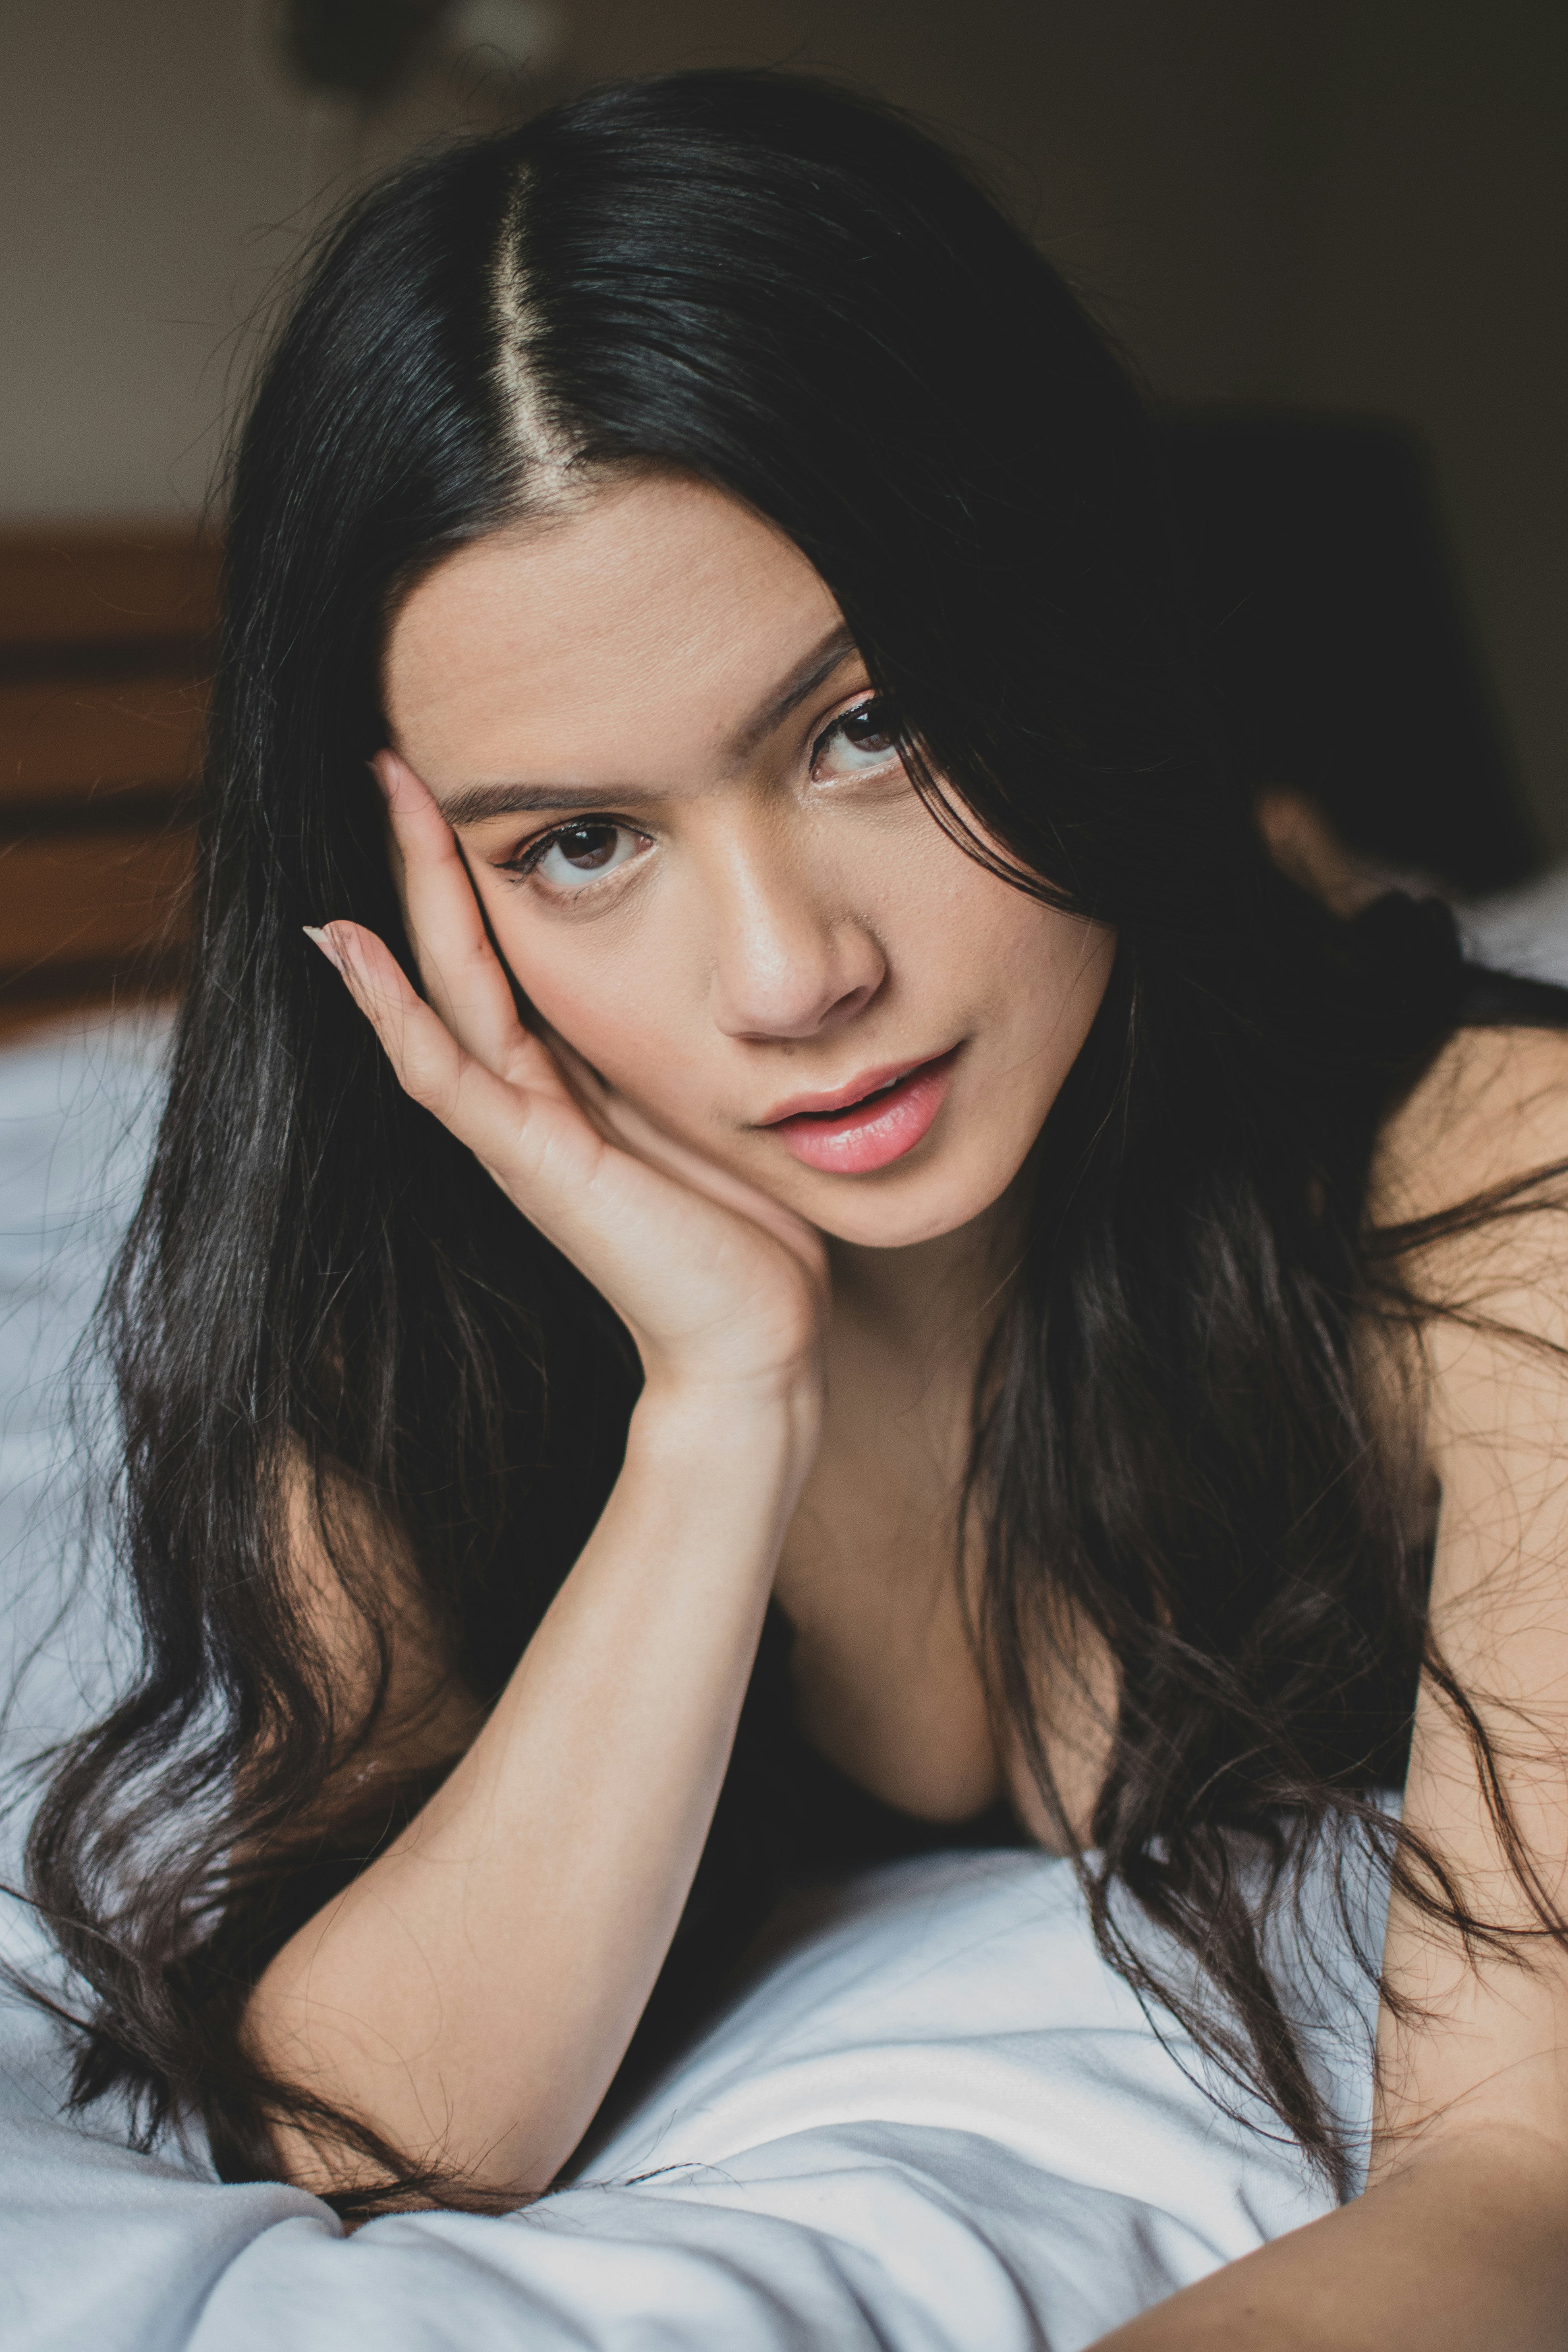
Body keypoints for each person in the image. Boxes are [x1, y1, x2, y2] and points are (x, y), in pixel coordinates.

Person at [22, 69, 1568, 2348]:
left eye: (868, 727)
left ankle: (1274, 854)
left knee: (1258, 920)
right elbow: (379, 2130)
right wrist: (714, 1403)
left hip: (1268, 1024)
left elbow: (1519, 2192)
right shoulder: (407, 1293)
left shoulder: (1486, 1193)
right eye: (579, 844)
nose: (788, 979)